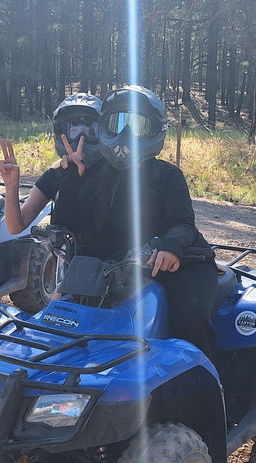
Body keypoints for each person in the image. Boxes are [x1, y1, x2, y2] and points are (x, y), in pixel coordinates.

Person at [91, 85, 219, 358]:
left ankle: (200, 389)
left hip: (182, 264)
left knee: (190, 319)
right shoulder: (98, 177)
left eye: (136, 125)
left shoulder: (168, 175)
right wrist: (69, 177)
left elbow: (184, 223)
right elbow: (80, 222)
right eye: (118, 123)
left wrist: (171, 246)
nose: (126, 134)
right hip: (121, 266)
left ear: (154, 131)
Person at [0, 93, 107, 256]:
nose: (80, 140)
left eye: (88, 132)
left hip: (108, 266)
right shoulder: (56, 174)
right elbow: (16, 227)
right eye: (74, 131)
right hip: (63, 265)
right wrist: (11, 186)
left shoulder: (112, 174)